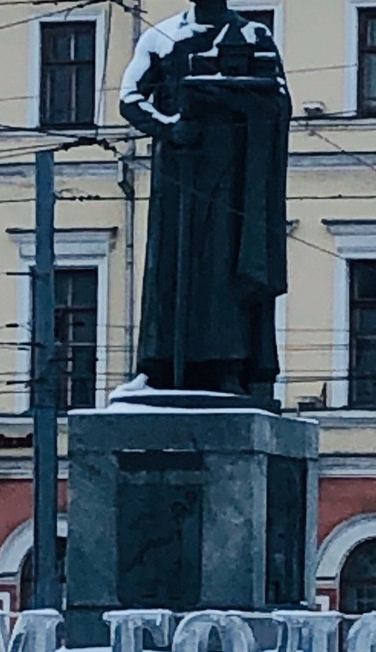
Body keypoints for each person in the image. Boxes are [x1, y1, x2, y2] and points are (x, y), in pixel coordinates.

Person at [120, 0, 291, 400]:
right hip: (177, 175)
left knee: (223, 270)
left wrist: (234, 100)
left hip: (234, 178)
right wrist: (169, 127)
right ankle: (156, 365)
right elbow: (129, 98)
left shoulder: (254, 36)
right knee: (168, 269)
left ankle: (228, 365)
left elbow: (279, 102)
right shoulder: (161, 37)